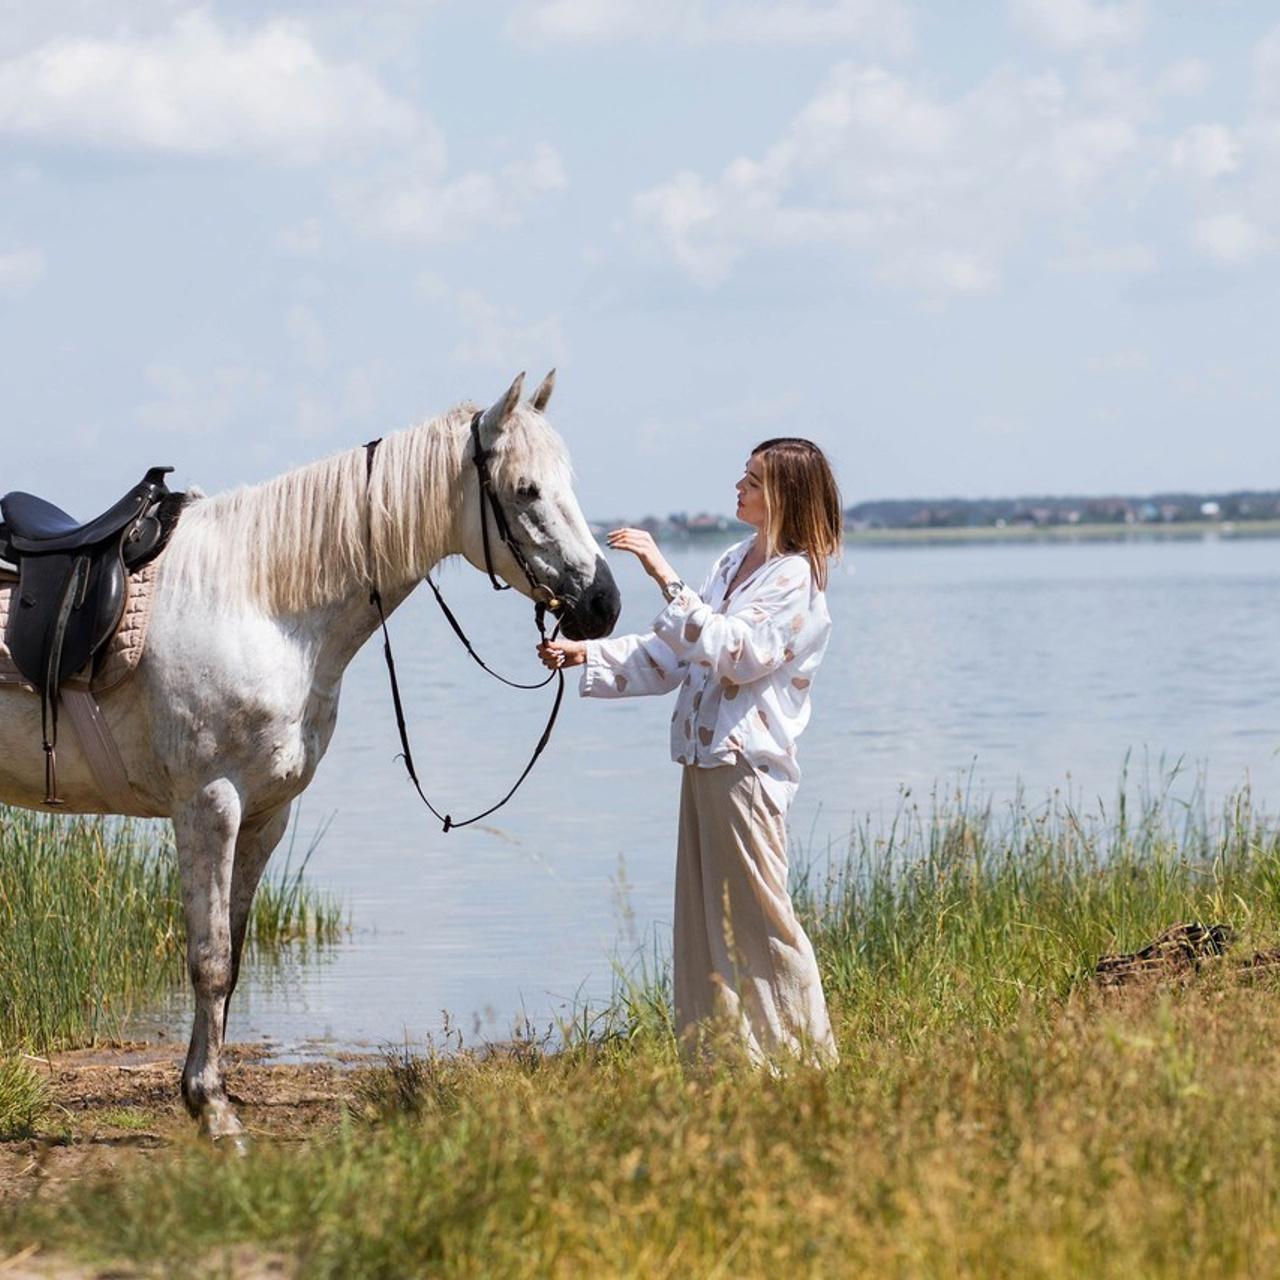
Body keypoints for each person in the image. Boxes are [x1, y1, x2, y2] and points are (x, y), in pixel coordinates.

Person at [538, 437, 843, 1067]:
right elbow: (674, 652)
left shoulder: (797, 579)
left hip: (746, 772)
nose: (739, 487)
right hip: (704, 765)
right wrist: (585, 654)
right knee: (705, 928)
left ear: (784, 494)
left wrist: (665, 575)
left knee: (765, 924)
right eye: (744, 476)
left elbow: (740, 656)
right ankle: (727, 1069)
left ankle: (809, 1064)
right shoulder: (735, 562)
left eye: (753, 481)